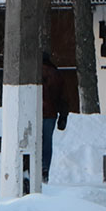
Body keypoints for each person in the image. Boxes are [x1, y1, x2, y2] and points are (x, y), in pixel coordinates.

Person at [41, 52, 70, 181]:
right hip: (50, 114)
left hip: (33, 113)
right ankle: (45, 169)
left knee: (34, 142)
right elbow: (63, 97)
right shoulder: (55, 74)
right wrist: (63, 116)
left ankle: (33, 168)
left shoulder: (31, 73)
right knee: (47, 142)